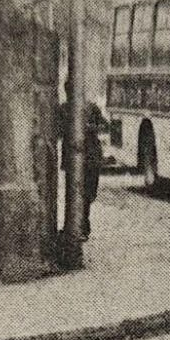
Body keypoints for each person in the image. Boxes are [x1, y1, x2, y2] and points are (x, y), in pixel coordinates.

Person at [58, 99, 107, 239]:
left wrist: (88, 127)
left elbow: (104, 125)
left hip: (91, 157)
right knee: (73, 192)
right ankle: (77, 227)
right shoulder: (64, 109)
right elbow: (59, 130)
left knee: (88, 194)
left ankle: (82, 225)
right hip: (73, 159)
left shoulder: (91, 107)